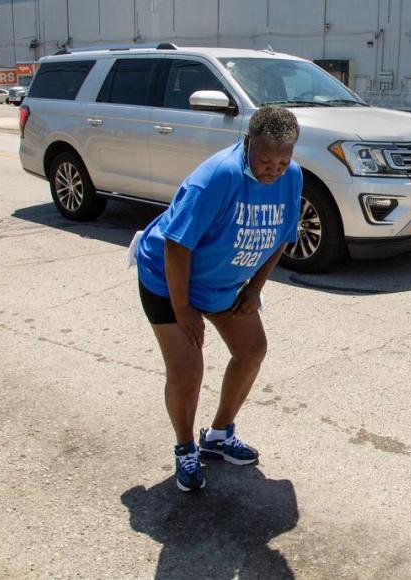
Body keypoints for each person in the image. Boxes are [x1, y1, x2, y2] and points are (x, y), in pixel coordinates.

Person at [134, 106, 302, 492]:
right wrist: (183, 309)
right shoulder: (216, 177)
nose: (274, 170)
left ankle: (219, 436)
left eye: (283, 161)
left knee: (252, 349)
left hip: (222, 282)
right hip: (168, 279)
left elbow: (282, 237)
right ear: (247, 144)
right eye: (265, 161)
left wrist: (255, 289)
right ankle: (186, 448)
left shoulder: (292, 177)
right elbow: (176, 245)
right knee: (188, 369)